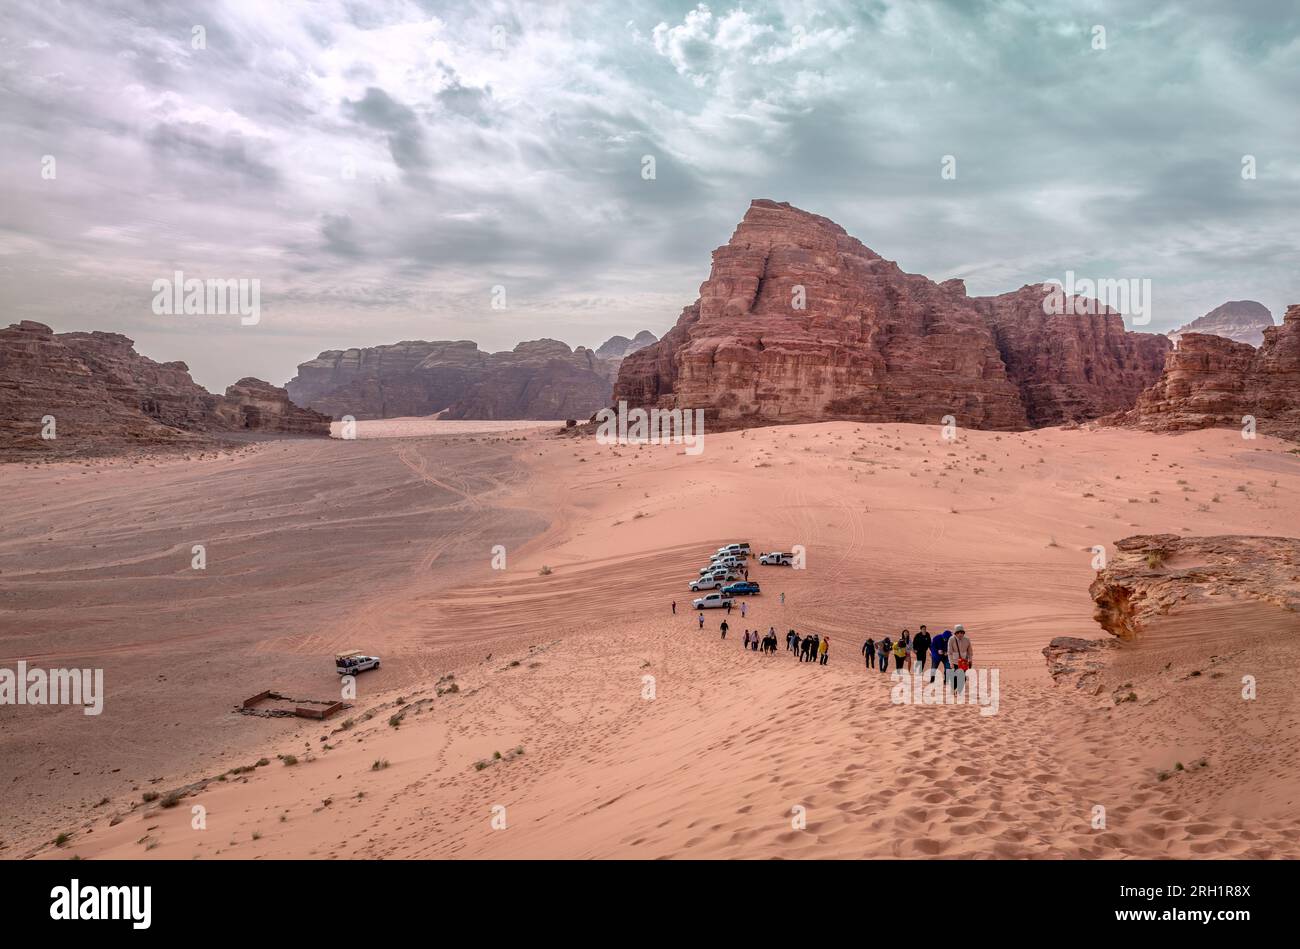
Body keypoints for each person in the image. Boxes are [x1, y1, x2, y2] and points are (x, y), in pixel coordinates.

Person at [949, 624, 973, 694]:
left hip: (964, 662)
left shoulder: (967, 640)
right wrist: (951, 663)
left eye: (961, 633)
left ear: (963, 633)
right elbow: (949, 652)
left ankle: (957, 689)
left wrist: (970, 660)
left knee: (963, 678)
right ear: (955, 633)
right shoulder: (951, 639)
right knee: (956, 677)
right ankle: (954, 689)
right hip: (955, 661)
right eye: (958, 633)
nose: (960, 634)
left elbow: (970, 651)